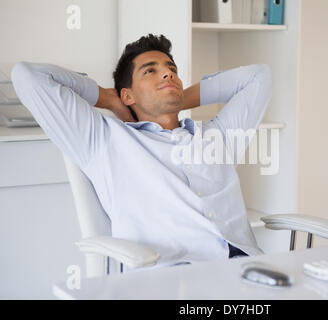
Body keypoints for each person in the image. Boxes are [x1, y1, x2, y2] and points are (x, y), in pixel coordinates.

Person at [11, 34, 273, 268]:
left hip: (248, 268)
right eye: (150, 71)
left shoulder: (219, 137)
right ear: (127, 95)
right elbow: (27, 75)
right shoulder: (104, 140)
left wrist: (176, 98)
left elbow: (259, 76)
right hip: (176, 279)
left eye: (171, 70)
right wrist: (108, 98)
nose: (168, 74)